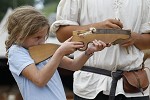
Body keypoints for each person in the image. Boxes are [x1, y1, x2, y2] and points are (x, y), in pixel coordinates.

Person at [50, 0, 150, 100]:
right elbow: (62, 34)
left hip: (133, 86)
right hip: (91, 86)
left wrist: (136, 38)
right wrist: (96, 28)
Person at [5, 6, 108, 100]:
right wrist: (60, 52)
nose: (42, 42)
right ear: (19, 35)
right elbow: (40, 80)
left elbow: (74, 65)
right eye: (37, 37)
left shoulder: (42, 50)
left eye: (44, 37)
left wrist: (89, 51)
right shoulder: (16, 52)